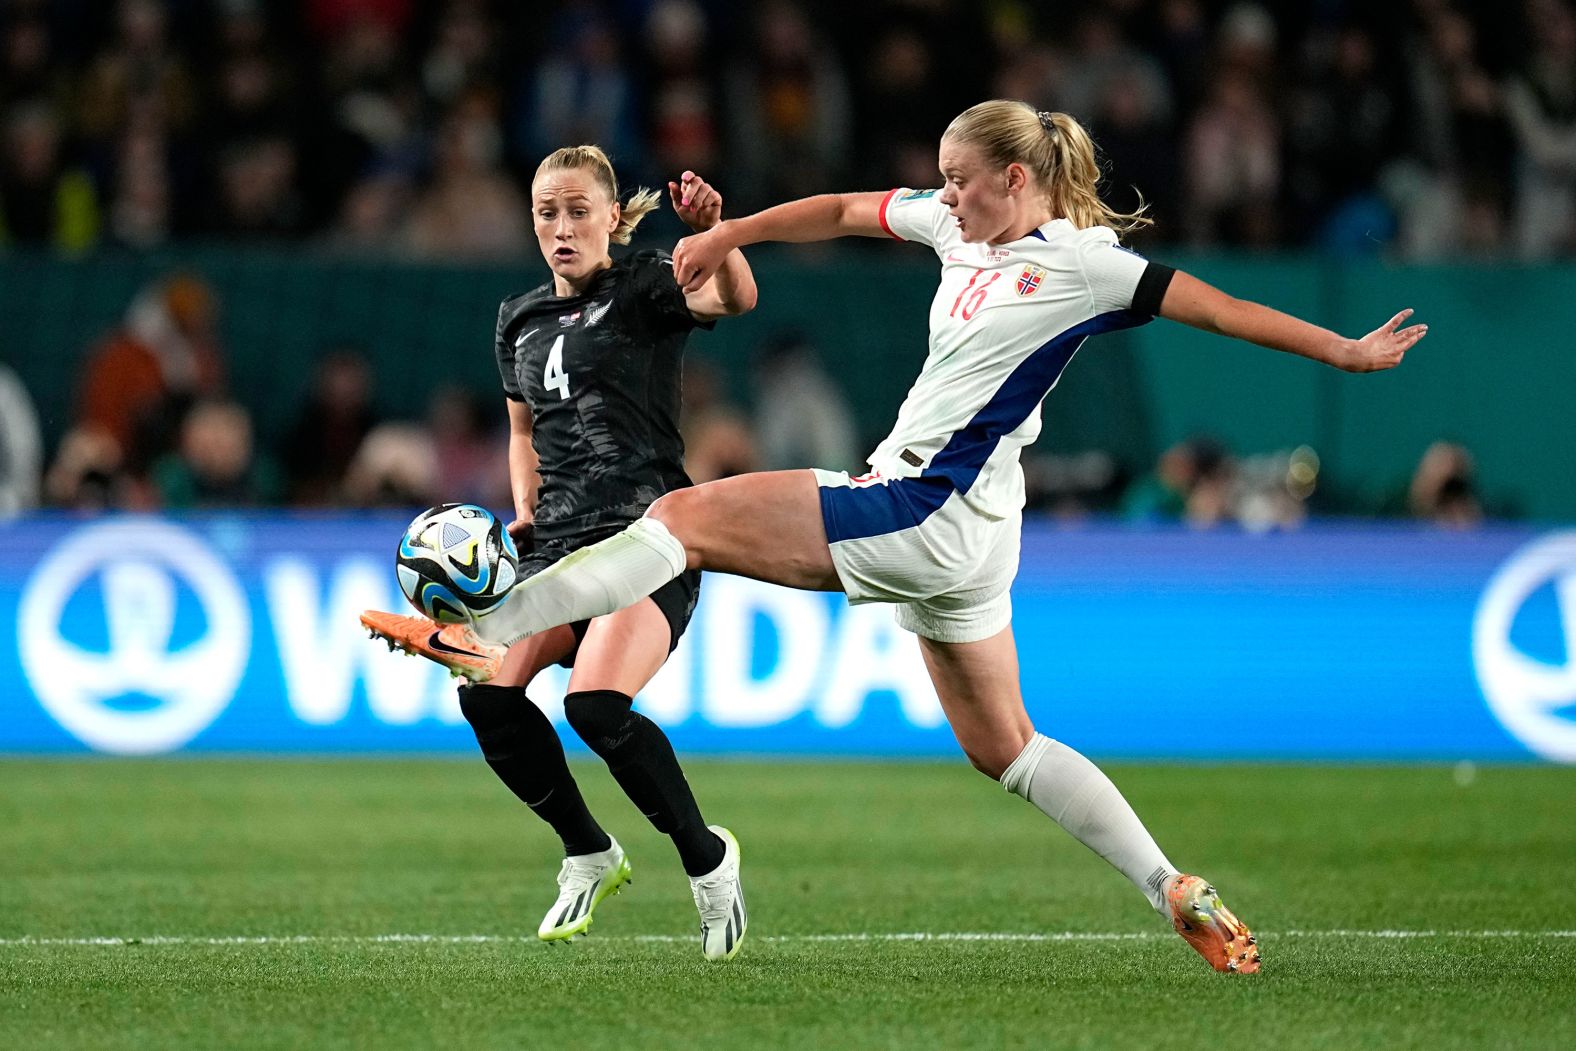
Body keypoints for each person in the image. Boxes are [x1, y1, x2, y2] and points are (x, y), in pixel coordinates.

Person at [364, 101, 1428, 974]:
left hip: (922, 505)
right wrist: (734, 231)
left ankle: (494, 620)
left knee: (679, 518)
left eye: (960, 179)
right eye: (941, 179)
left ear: (1017, 178)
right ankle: (1172, 885)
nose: (944, 196)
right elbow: (839, 209)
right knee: (1006, 748)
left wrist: (1338, 351)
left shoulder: (1089, 266)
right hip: (974, 541)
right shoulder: (958, 227)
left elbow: (1218, 306)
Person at [368, 146, 757, 960]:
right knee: (488, 695)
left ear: (613, 216)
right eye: (548, 211)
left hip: (648, 541)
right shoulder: (517, 316)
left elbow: (735, 296)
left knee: (595, 707)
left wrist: (715, 235)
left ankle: (707, 857)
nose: (563, 226)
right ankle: (588, 849)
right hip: (557, 549)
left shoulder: (647, 283)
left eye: (579, 210)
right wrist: (523, 511)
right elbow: (520, 429)